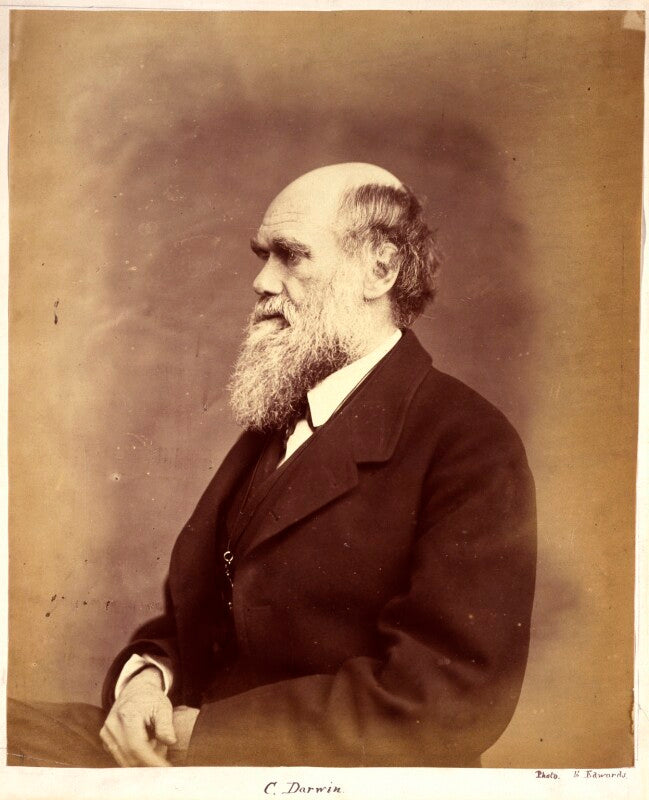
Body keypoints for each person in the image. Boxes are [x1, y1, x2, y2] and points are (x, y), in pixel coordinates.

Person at [7, 162, 536, 768]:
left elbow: (445, 698)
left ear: (380, 270)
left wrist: (207, 735)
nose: (262, 281)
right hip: (191, 751)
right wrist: (147, 681)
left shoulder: (470, 442)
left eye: (291, 255)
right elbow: (201, 619)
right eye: (264, 256)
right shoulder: (283, 419)